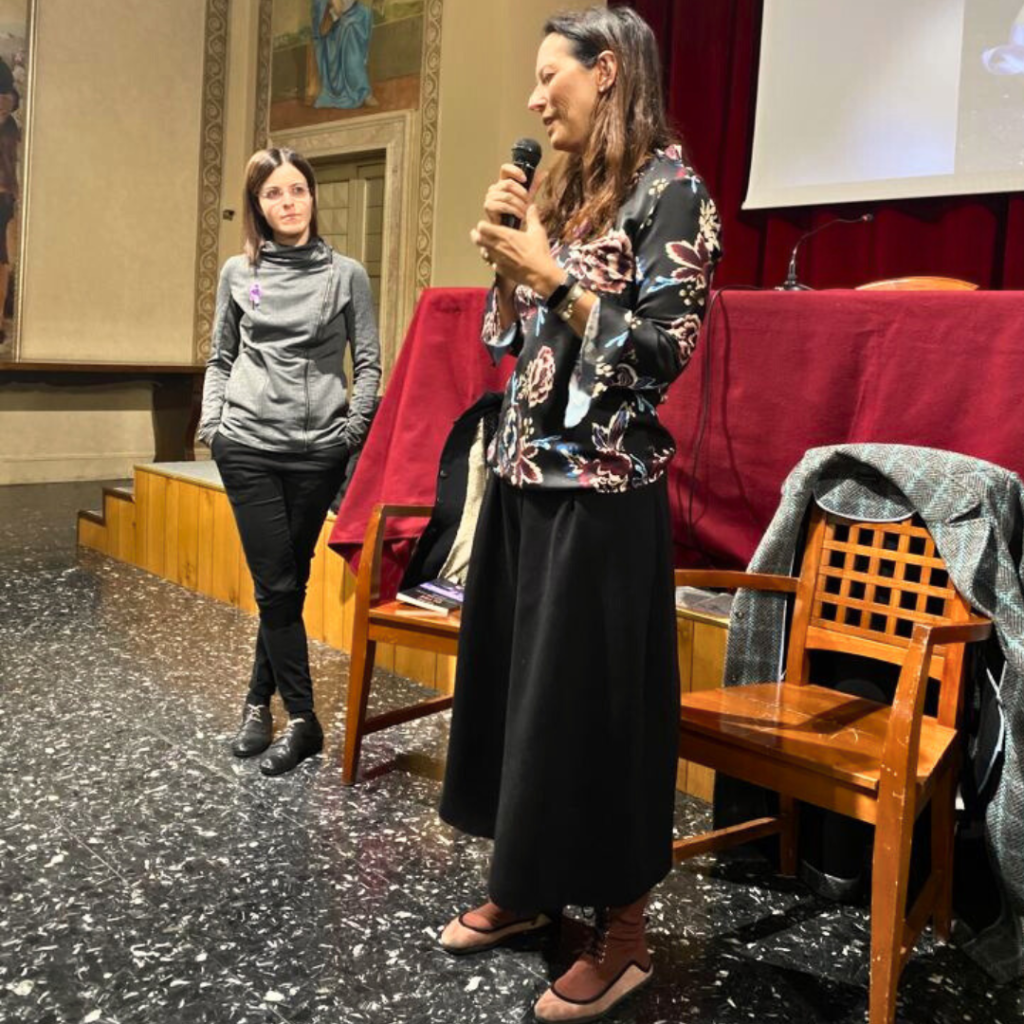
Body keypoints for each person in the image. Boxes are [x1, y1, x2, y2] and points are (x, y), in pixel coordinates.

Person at [437, 7, 721, 1022]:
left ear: (606, 73)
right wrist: (511, 266)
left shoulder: (673, 194)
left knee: (597, 717)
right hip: (523, 480)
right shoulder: (564, 190)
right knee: (524, 704)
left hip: (602, 497)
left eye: (547, 74)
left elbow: (657, 355)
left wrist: (552, 278)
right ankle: (524, 890)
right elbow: (508, 343)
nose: (531, 97)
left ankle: (627, 933)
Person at [198, 148, 381, 776]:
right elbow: (220, 357)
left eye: (297, 190)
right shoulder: (236, 272)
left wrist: (348, 433)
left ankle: (256, 702)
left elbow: (370, 363)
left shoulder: (346, 274)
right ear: (258, 206)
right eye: (274, 194)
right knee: (277, 583)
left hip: (317, 452)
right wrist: (213, 428)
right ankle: (304, 719)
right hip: (246, 444)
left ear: (312, 196)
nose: (288, 203)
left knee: (286, 585)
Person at [311, 0, 377, 109]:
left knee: (364, 15)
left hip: (352, 14)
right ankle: (362, 91)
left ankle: (361, 90)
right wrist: (332, 8)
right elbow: (322, 28)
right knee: (350, 34)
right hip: (333, 27)